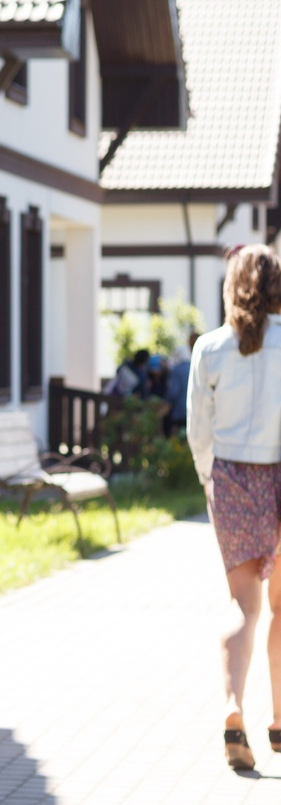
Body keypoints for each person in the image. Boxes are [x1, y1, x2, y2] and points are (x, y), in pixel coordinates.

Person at [188, 243, 281, 771]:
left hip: (232, 480)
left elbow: (198, 433)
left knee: (242, 607)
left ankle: (232, 708)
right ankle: (279, 720)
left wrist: (212, 484)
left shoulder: (211, 348)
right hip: (279, 474)